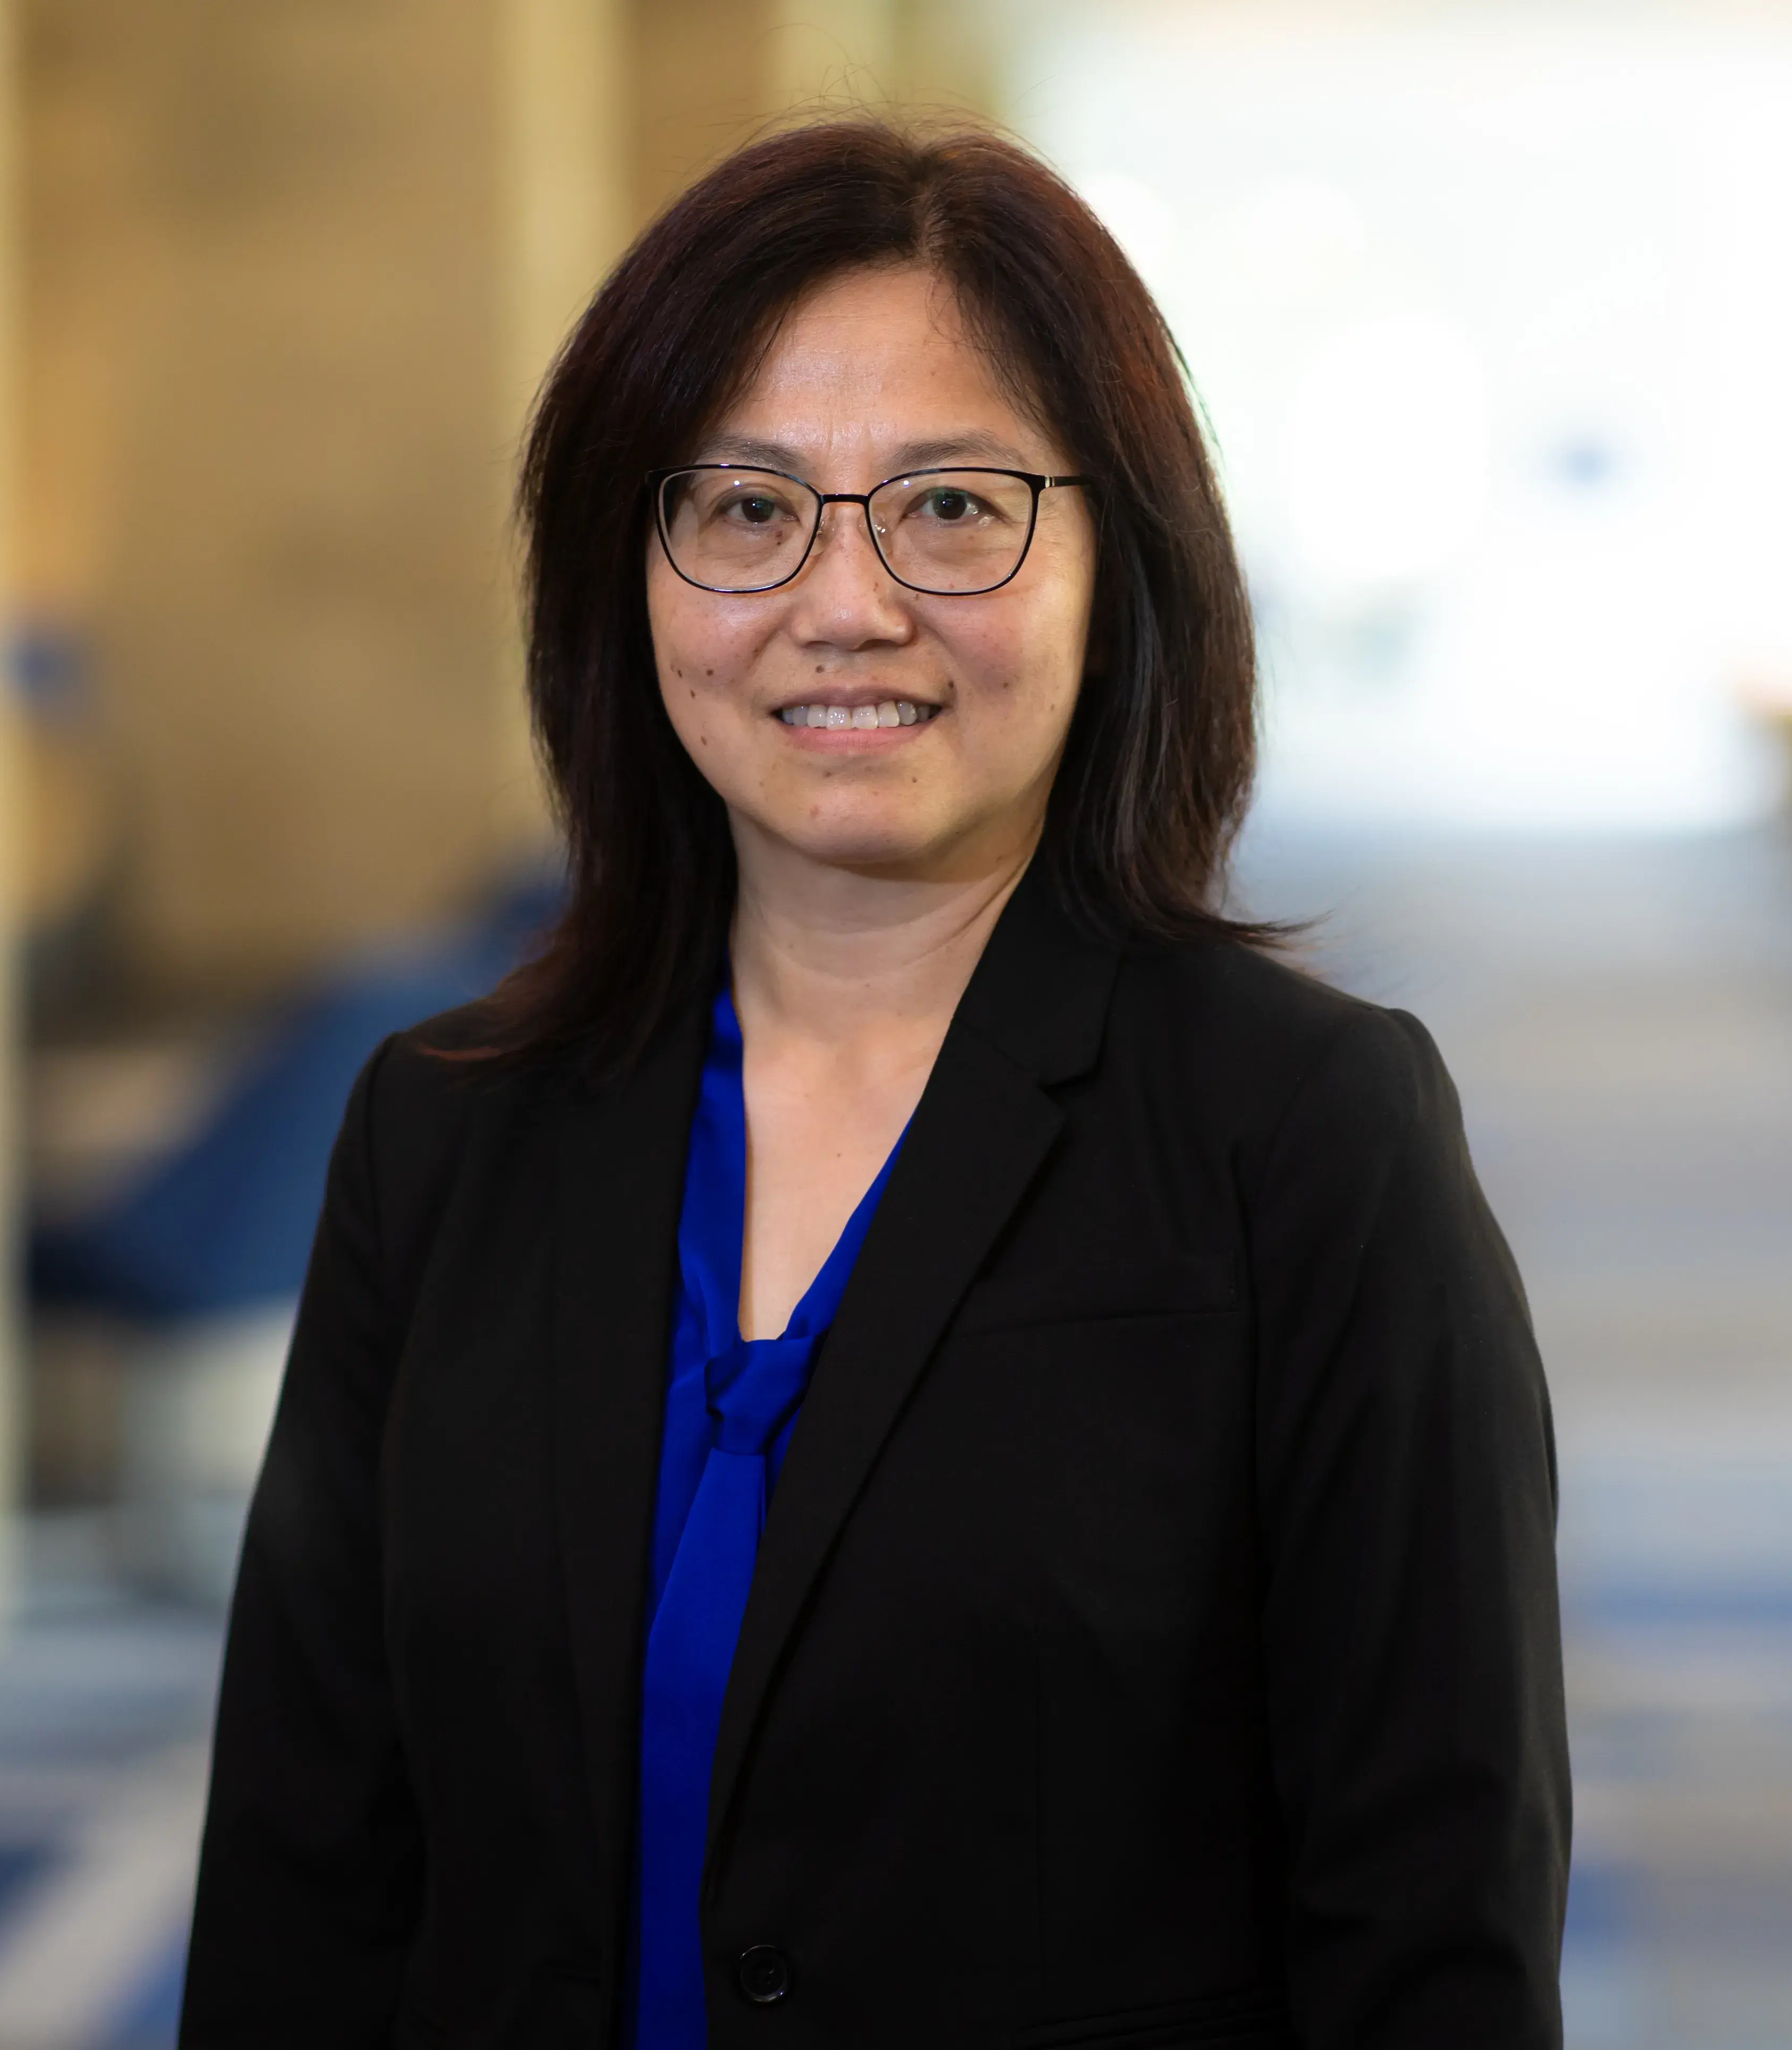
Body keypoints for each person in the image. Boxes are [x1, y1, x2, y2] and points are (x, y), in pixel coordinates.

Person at [179, 119, 1569, 2050]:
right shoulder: (445, 1130)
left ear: (1118, 562)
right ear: (626, 574)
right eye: (748, 508)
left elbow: (1429, 1939)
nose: (843, 602)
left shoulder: (1307, 1140)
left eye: (952, 506)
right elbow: (304, 1887)